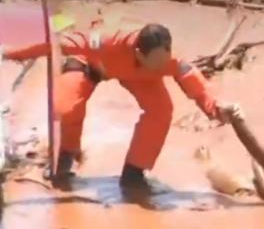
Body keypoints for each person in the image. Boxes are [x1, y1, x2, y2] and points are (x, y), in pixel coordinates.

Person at [2, 23, 235, 187]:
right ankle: (67, 152)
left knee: (162, 111)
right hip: (91, 65)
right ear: (138, 52)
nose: (161, 66)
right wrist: (12, 53)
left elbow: (196, 84)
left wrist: (215, 109)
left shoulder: (169, 61)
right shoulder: (106, 42)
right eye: (155, 62)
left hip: (139, 77)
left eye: (164, 60)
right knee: (65, 107)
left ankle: (135, 171)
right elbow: (64, 42)